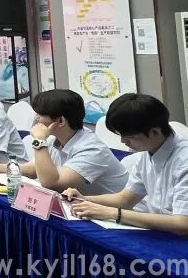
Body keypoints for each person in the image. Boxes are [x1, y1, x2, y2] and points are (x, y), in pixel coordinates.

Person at [65, 94, 188, 235]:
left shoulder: (183, 160)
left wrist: (113, 213)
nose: (123, 142)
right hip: (164, 234)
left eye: (129, 136)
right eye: (120, 135)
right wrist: (84, 199)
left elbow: (183, 223)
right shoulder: (146, 154)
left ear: (155, 131)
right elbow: (125, 199)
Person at [0, 89, 126, 195]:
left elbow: (51, 183)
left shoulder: (91, 149)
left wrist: (39, 141)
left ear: (60, 121)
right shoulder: (55, 138)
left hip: (119, 218)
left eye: (40, 115)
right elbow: (33, 169)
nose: (36, 120)